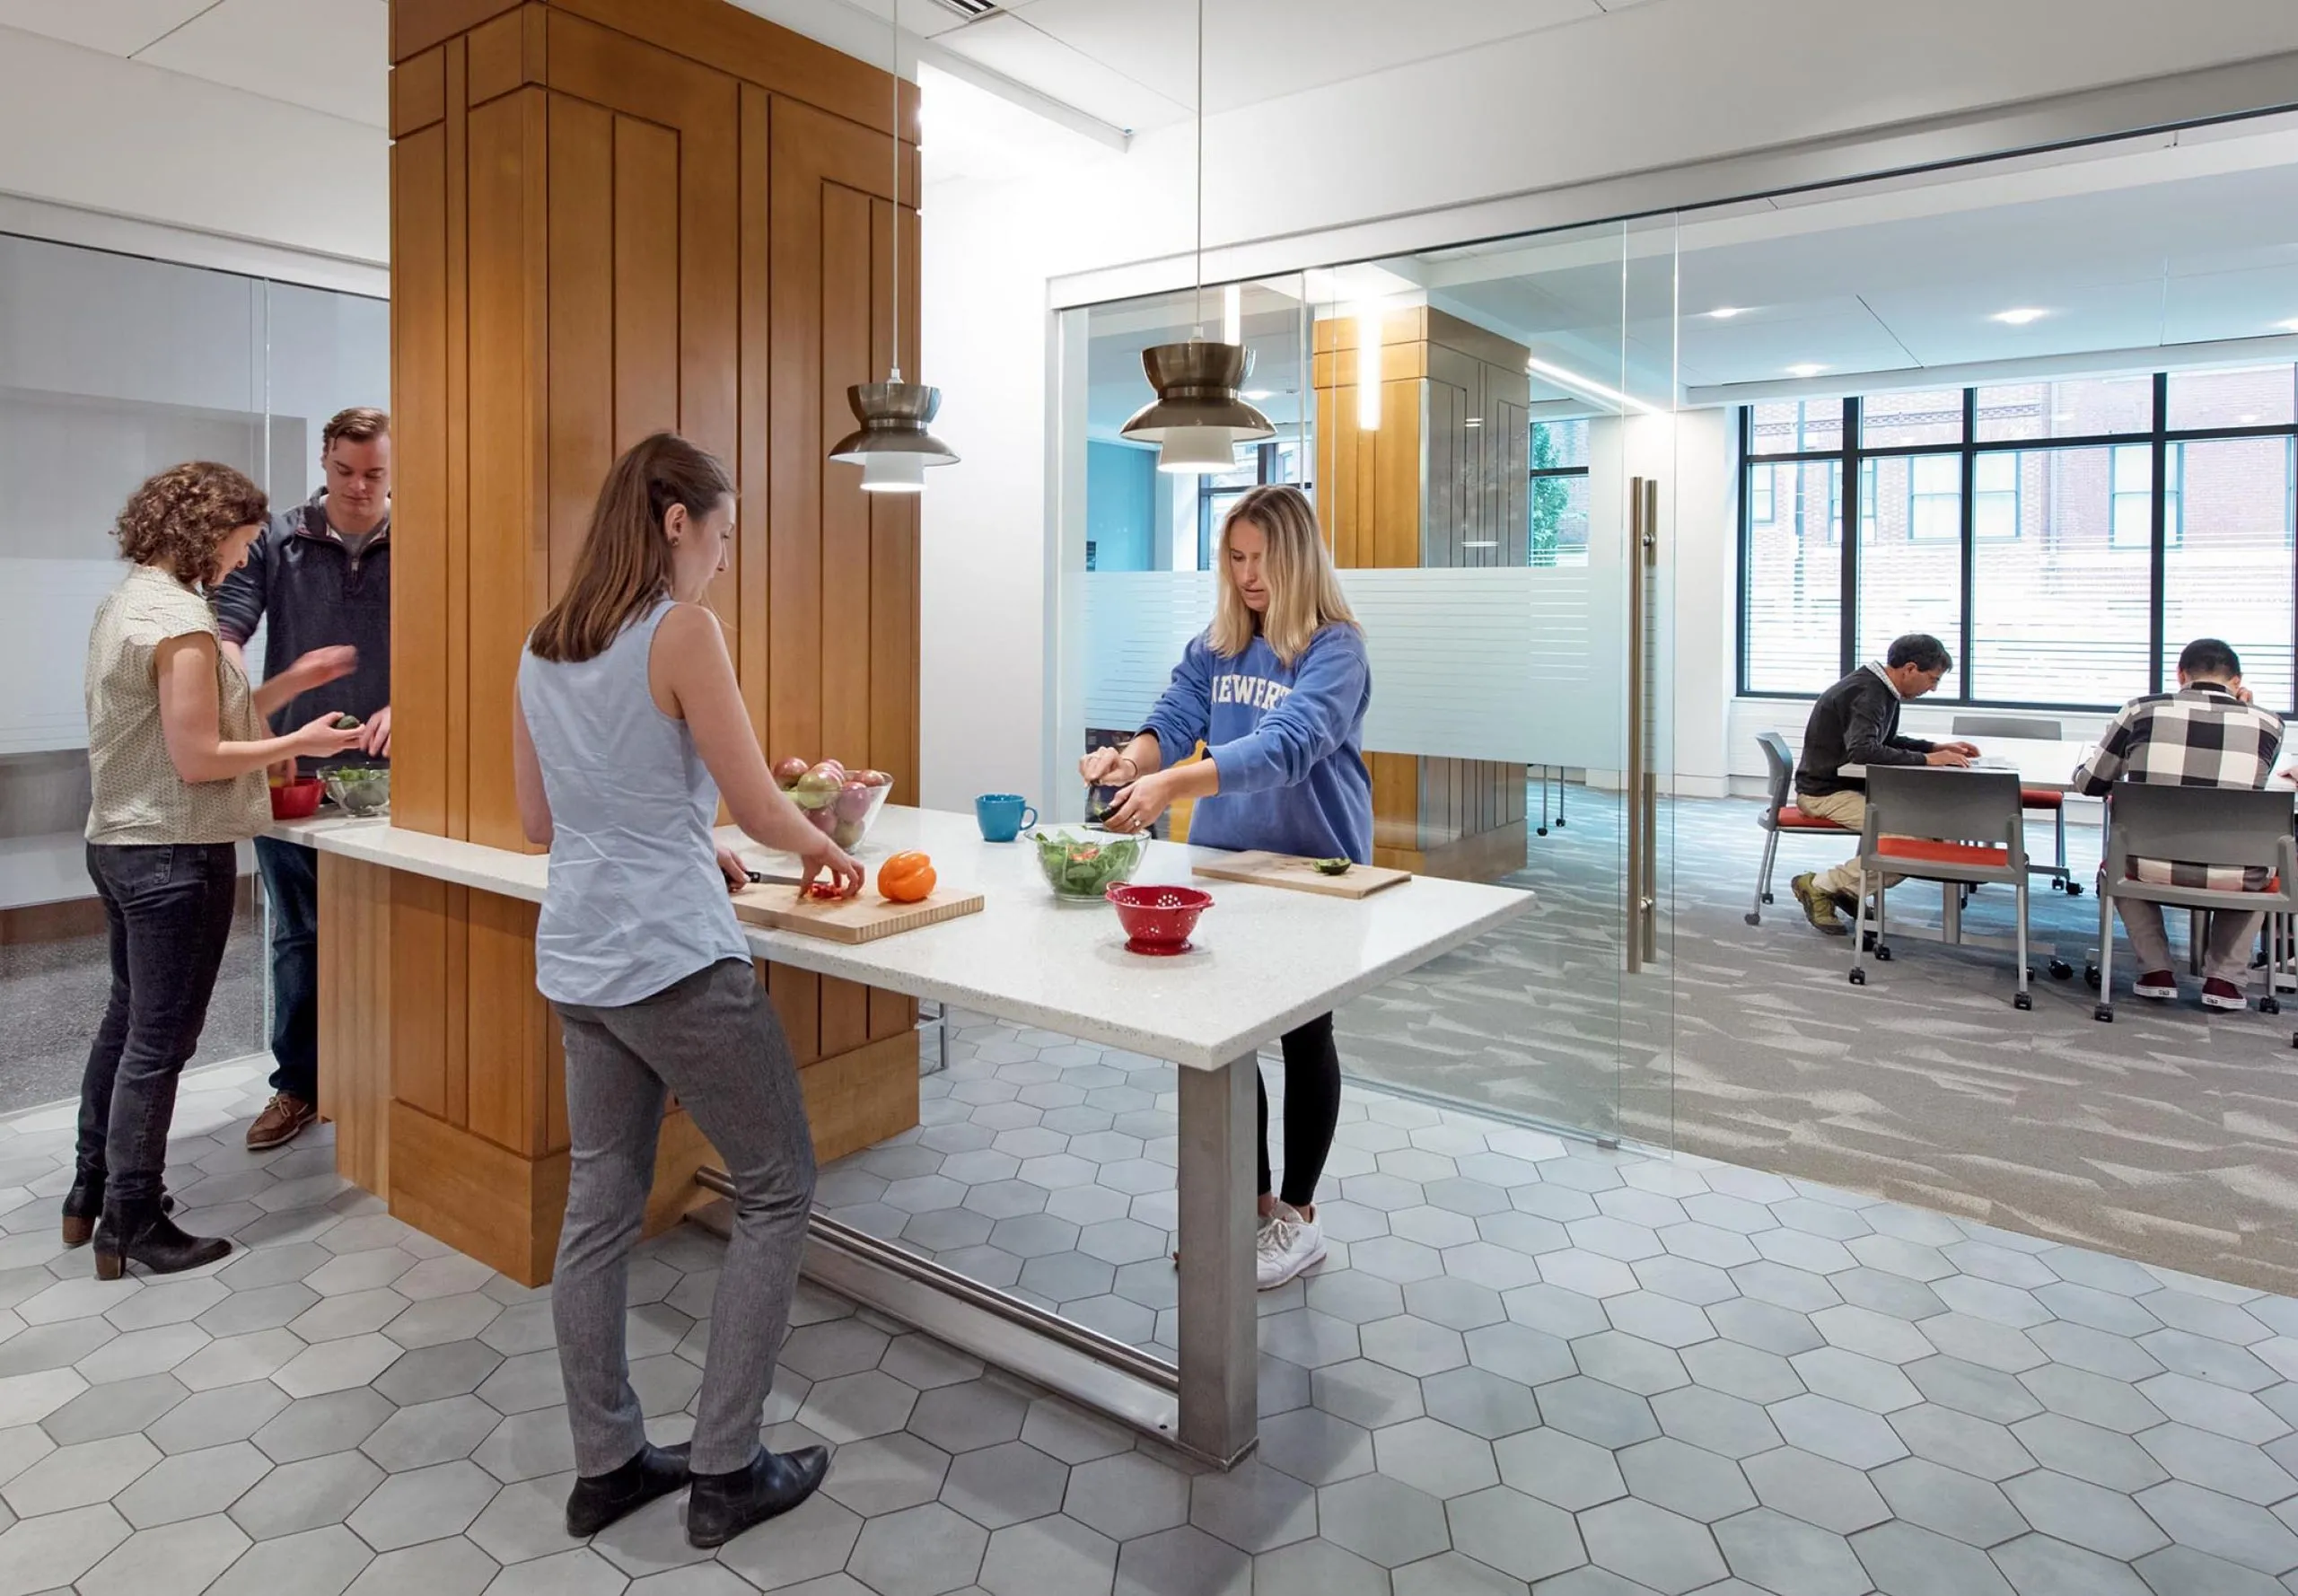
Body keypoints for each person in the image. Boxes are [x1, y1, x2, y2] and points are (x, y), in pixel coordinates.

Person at [512, 433, 861, 1547]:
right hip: (672, 959)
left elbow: (542, 820)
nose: (723, 555)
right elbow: (761, 806)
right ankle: (726, 1465)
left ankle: (606, 1463)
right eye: (722, 530)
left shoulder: (542, 644)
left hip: (578, 957)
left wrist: (672, 832)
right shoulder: (681, 629)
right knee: (776, 1181)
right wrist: (825, 850)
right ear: (676, 520)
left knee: (600, 1207)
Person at [73, 463, 364, 1276]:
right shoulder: (182, 621)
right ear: (207, 532)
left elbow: (201, 720)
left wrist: (292, 687)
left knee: (125, 1024)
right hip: (174, 851)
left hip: (121, 843)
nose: (243, 561)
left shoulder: (131, 602)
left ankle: (89, 1189)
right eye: (240, 544)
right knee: (158, 1043)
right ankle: (131, 1220)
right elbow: (200, 757)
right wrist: (302, 742)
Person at [1081, 484, 1372, 1292]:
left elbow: (1288, 745)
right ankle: (1249, 1204)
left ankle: (1299, 1219)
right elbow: (1173, 716)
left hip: (1315, 872)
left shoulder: (1334, 648)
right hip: (1224, 866)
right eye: (1237, 559)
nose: (1250, 576)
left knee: (1304, 1038)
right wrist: (1132, 761)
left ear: (1299, 560)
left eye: (1264, 560)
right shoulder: (1216, 645)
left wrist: (1173, 785)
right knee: (1230, 1039)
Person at [214, 407, 394, 1153]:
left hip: (396, 780)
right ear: (324, 460)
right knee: (300, 937)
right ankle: (299, 1086)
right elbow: (226, 628)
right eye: (346, 471)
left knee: (394, 934)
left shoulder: (425, 538)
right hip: (295, 771)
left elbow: (459, 633)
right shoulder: (277, 540)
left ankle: (389, 1084)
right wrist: (237, 703)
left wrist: (408, 702)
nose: (359, 488)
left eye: (376, 475)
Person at [2074, 637, 2285, 1010]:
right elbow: (2250, 789)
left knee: (2118, 861)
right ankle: (2224, 980)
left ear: (2180, 674)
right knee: (2260, 865)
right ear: (2237, 681)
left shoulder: (2140, 711)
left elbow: (2090, 784)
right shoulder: (2269, 724)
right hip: (2237, 874)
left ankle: (2156, 971)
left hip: (2145, 866)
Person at [1787, 633, 1981, 935]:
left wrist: (1932, 747)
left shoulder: (1879, 687)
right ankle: (1819, 885)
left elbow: (1884, 741)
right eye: (1933, 679)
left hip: (1849, 788)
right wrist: (1929, 761)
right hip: (1825, 793)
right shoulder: (1870, 692)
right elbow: (1863, 751)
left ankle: (1845, 890)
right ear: (1910, 669)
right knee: (1912, 846)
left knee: (1931, 834)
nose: (1933, 688)